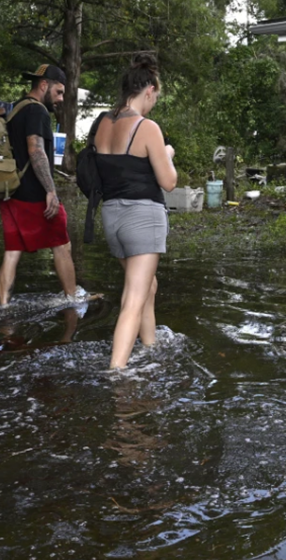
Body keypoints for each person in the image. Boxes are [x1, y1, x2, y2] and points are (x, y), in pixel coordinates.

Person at [93, 52, 177, 369]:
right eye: (156, 95)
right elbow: (168, 181)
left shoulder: (102, 123)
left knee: (147, 286)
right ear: (149, 90)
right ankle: (118, 372)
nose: (154, 101)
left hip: (111, 217)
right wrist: (167, 152)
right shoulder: (148, 127)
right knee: (133, 299)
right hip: (141, 218)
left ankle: (150, 347)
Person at [0, 63, 86, 306]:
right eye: (58, 92)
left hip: (10, 191)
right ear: (44, 85)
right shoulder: (37, 111)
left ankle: (3, 306)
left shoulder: (15, 109)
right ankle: (73, 299)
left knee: (12, 252)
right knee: (62, 244)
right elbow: (36, 151)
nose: (59, 99)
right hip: (33, 194)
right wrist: (50, 190)